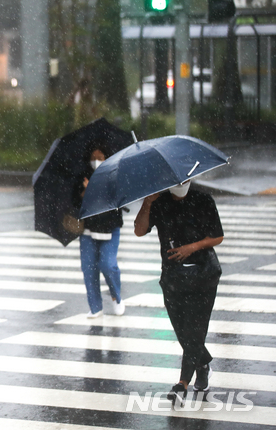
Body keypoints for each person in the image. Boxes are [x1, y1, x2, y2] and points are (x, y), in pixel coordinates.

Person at [134, 180, 224, 406]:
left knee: (195, 328)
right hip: (173, 278)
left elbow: (218, 236)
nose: (181, 184)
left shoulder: (203, 199)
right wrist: (147, 202)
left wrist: (191, 247)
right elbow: (139, 230)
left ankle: (182, 384)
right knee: (183, 330)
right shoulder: (159, 202)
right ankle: (202, 364)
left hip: (204, 275)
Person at [73, 146, 125, 318]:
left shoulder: (115, 173)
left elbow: (120, 201)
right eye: (93, 156)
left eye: (100, 156)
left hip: (110, 228)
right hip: (88, 228)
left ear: (106, 157)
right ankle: (95, 307)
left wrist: (99, 188)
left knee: (108, 265)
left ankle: (116, 296)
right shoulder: (83, 175)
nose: (96, 160)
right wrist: (87, 191)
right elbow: (74, 200)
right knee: (89, 269)